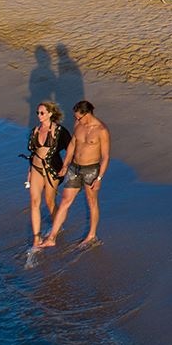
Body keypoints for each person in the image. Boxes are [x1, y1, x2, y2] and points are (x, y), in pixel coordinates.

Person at [42, 100, 110, 248]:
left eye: (78, 117)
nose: (76, 120)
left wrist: (99, 178)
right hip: (74, 168)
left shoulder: (101, 130)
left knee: (91, 202)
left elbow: (105, 157)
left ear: (87, 114)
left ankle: (91, 235)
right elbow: (72, 145)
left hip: (91, 170)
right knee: (65, 200)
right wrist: (65, 164)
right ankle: (52, 237)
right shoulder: (78, 125)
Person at [26, 101, 71, 248]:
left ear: (50, 114)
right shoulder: (35, 131)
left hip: (52, 169)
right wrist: (28, 173)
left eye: (42, 113)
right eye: (38, 113)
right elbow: (33, 153)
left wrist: (65, 166)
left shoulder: (60, 131)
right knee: (34, 202)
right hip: (35, 169)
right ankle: (36, 238)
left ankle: (57, 228)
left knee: (50, 201)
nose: (39, 115)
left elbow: (71, 149)